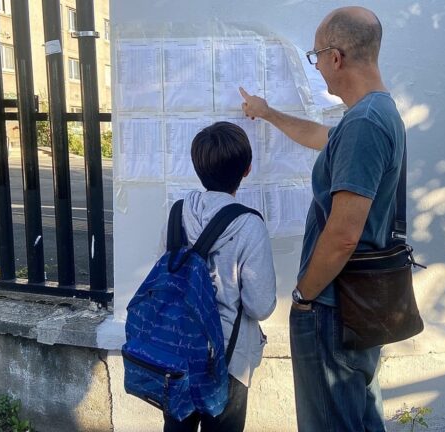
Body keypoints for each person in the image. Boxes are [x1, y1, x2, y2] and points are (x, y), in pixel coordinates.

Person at [240, 6, 404, 431]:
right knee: (359, 416)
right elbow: (320, 138)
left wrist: (303, 295)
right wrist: (268, 112)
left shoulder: (365, 123)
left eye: (315, 57)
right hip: (356, 302)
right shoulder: (373, 115)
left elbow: (344, 234)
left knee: (331, 423)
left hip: (334, 305)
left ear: (336, 57)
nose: (317, 69)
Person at [162, 121, 277, 432]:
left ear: (198, 166)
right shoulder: (249, 225)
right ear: (247, 169)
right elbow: (260, 305)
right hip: (228, 361)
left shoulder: (176, 213)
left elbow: (168, 279)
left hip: (177, 353)